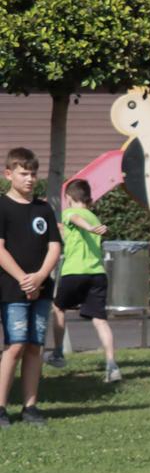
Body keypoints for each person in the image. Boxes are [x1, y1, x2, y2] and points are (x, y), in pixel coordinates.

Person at [0, 147, 60, 428]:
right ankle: (1, 408)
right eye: (24, 173)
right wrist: (24, 278)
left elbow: (54, 246)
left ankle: (30, 407)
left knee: (35, 346)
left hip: (41, 290)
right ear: (9, 174)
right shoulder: (2, 207)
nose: (30, 179)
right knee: (16, 345)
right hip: (12, 290)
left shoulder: (43, 208)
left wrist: (39, 278)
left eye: (33, 174)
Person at [52, 179, 118, 385]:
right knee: (100, 320)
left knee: (58, 307)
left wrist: (89, 227)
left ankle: (57, 353)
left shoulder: (71, 213)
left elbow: (75, 218)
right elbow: (67, 229)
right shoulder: (95, 216)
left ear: (69, 198)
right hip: (97, 274)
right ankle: (111, 364)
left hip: (74, 273)